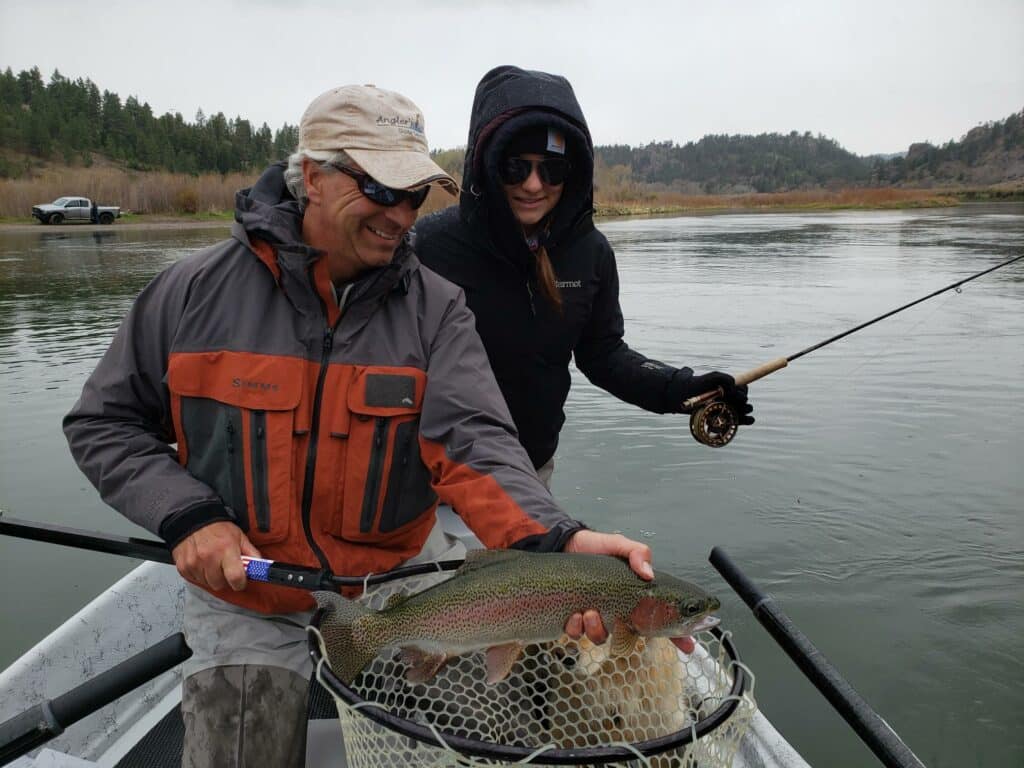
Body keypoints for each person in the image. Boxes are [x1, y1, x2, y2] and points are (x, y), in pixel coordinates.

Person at [63, 84, 659, 768]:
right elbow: (103, 423)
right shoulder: (191, 293)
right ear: (311, 175)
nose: (400, 213)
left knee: (481, 747)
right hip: (248, 593)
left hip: (403, 580)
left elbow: (476, 442)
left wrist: (555, 539)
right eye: (379, 188)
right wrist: (190, 517)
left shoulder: (438, 311)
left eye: (414, 194)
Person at [415, 66, 754, 484]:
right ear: (487, 166)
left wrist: (681, 388)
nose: (534, 185)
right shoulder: (427, 246)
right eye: (515, 168)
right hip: (427, 476)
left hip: (529, 472)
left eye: (552, 170)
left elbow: (604, 355)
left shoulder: (590, 254)